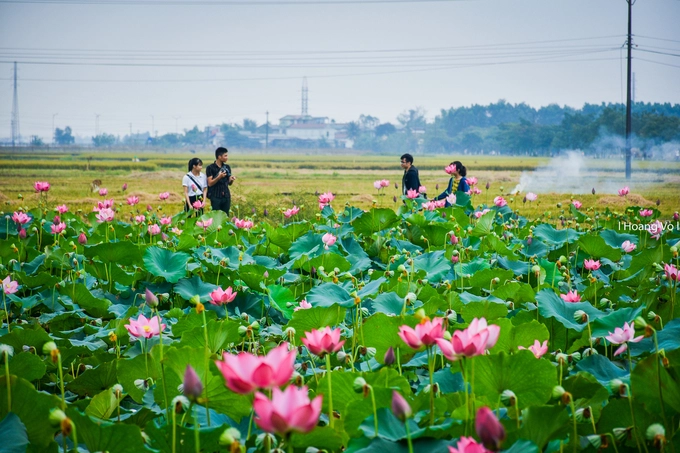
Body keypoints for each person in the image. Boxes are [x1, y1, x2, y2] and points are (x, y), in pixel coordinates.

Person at [206, 147, 236, 215]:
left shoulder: (227, 167)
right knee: (216, 216)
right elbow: (210, 183)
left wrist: (231, 180)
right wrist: (219, 177)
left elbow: (229, 183)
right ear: (219, 156)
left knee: (225, 216)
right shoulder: (210, 168)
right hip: (215, 196)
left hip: (226, 196)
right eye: (225, 156)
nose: (227, 157)